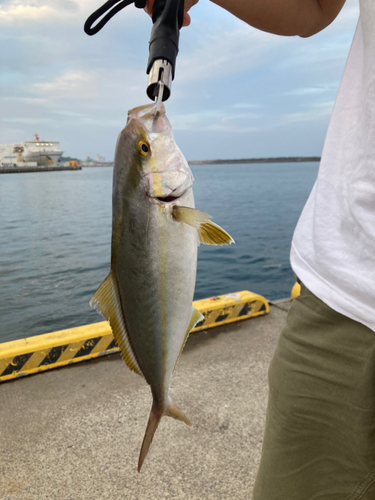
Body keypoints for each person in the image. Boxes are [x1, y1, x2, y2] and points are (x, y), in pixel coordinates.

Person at [146, 1, 374, 498]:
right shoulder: (166, 204)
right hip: (348, 291)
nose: (149, 142)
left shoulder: (167, 201)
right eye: (146, 152)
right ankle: (160, 395)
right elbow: (313, 9)